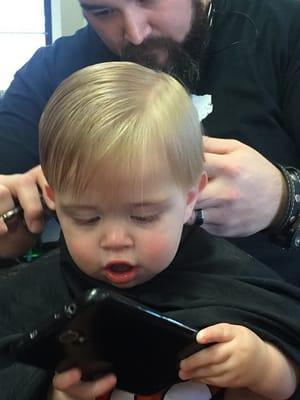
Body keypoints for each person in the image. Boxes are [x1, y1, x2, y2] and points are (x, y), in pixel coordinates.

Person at [1, 62, 300, 400]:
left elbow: (292, 355)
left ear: (190, 199)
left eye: (143, 217)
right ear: (55, 201)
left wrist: (266, 366)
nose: (115, 241)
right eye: (86, 218)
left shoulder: (238, 285)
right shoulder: (31, 298)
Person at [1, 0, 300, 285]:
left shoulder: (284, 31)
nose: (135, 32)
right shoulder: (51, 72)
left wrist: (285, 200)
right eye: (103, 11)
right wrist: (10, 219)